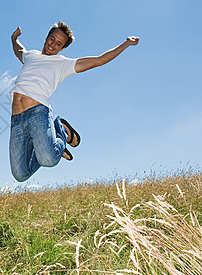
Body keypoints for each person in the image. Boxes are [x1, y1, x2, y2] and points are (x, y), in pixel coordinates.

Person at [10, 21, 139, 182]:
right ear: (46, 37)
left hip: (38, 113)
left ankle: (61, 131)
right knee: (20, 174)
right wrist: (14, 37)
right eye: (52, 39)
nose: (53, 44)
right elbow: (18, 50)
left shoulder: (63, 64)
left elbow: (99, 60)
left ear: (62, 48)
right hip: (16, 120)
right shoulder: (31, 56)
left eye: (58, 44)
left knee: (48, 160)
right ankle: (51, 144)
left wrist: (126, 43)